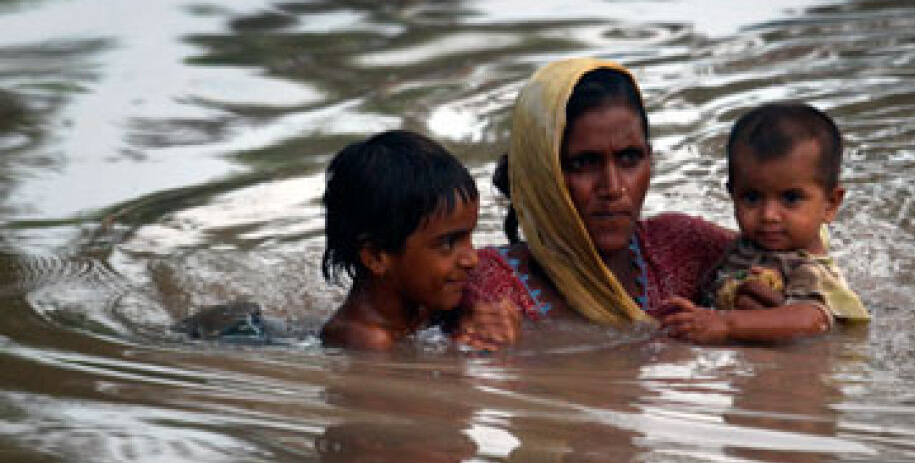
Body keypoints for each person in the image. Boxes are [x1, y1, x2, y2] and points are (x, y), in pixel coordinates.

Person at [458, 57, 744, 345]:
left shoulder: (683, 247)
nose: (613, 187)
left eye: (630, 158)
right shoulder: (488, 288)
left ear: (650, 159)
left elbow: (782, 262)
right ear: (541, 174)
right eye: (584, 163)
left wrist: (756, 303)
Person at [658, 103, 870, 344]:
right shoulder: (748, 246)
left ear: (830, 204)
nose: (768, 215)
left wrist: (725, 324)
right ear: (732, 194)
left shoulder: (806, 267)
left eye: (791, 198)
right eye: (752, 197)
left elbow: (812, 320)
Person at [319, 129, 518, 351]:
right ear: (376, 257)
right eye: (448, 243)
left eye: (469, 236)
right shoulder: (367, 342)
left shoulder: (423, 306)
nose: (472, 258)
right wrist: (464, 352)